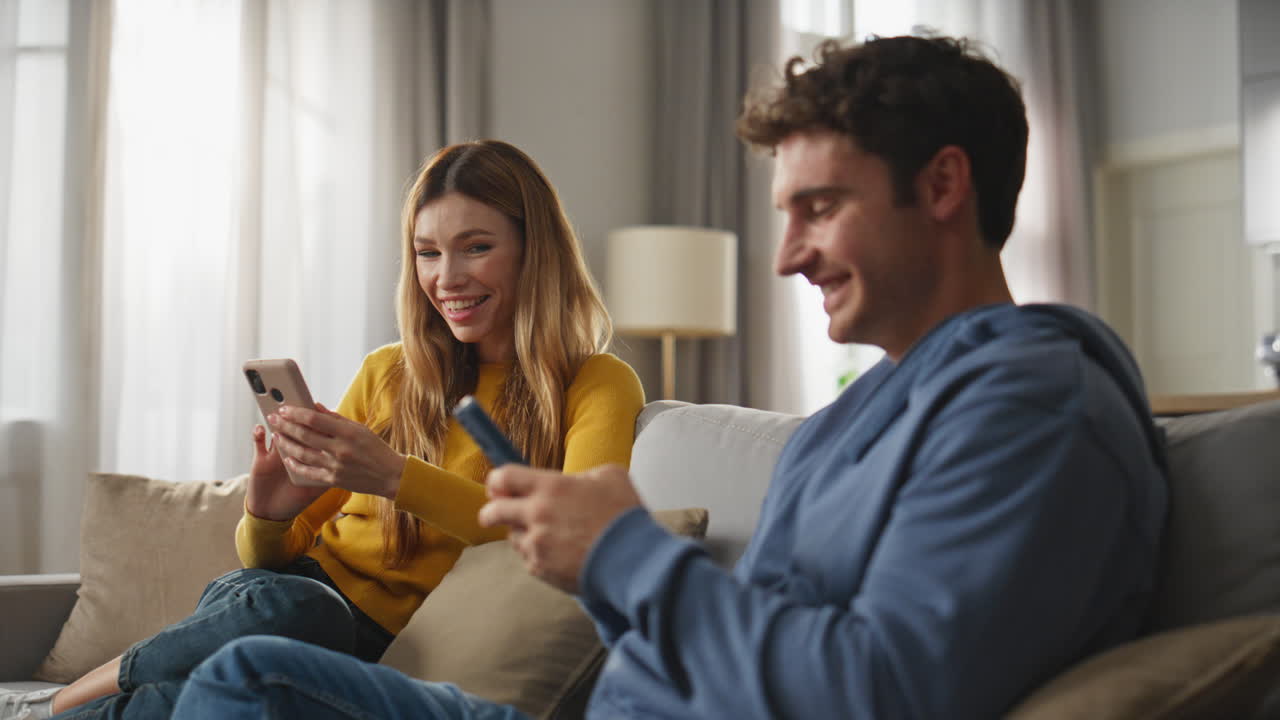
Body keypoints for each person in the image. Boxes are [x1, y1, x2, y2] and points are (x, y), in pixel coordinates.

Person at [167, 34, 1169, 719]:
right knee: (249, 670)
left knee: (247, 678)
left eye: (817, 208)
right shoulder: (854, 416)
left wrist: (623, 555)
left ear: (943, 186)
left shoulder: (1030, 407)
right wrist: (599, 571)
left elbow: (879, 689)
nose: (783, 257)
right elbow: (735, 630)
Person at [0, 140, 644, 720]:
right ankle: (53, 705)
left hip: (364, 651)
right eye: (427, 252)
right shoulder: (390, 372)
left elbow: (570, 531)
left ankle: (45, 710)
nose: (446, 279)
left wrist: (393, 476)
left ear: (536, 251)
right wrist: (268, 512)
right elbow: (265, 565)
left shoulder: (596, 384)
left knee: (186, 703)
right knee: (306, 608)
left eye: (476, 246)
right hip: (288, 603)